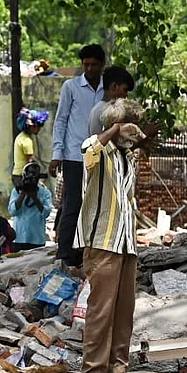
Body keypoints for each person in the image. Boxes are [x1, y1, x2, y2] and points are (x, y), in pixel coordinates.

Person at [78, 99, 147, 373]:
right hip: (103, 243)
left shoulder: (127, 158)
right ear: (117, 125)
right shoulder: (100, 153)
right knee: (101, 312)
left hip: (126, 243)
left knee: (123, 313)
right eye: (129, 125)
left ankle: (117, 372)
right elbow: (87, 147)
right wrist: (115, 128)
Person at [51, 44, 106, 268]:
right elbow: (61, 120)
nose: (90, 68)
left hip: (102, 155)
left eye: (94, 64)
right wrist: (57, 153)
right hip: (74, 155)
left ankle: (89, 252)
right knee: (72, 204)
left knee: (97, 205)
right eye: (86, 65)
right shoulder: (71, 87)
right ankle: (65, 254)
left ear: (102, 65)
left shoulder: (108, 90)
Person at [9, 163, 54, 251]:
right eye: (30, 173)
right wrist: (23, 193)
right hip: (19, 237)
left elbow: (46, 213)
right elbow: (12, 211)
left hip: (37, 239)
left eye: (35, 174)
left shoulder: (45, 192)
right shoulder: (16, 191)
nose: (32, 177)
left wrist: (35, 197)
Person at [87, 66, 136, 136]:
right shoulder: (98, 111)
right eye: (125, 90)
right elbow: (96, 143)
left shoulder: (120, 109)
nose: (126, 95)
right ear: (114, 86)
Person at [13, 108, 49, 188]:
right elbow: (31, 161)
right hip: (23, 176)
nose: (39, 128)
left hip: (16, 174)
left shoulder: (20, 137)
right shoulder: (27, 141)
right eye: (37, 126)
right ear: (30, 126)